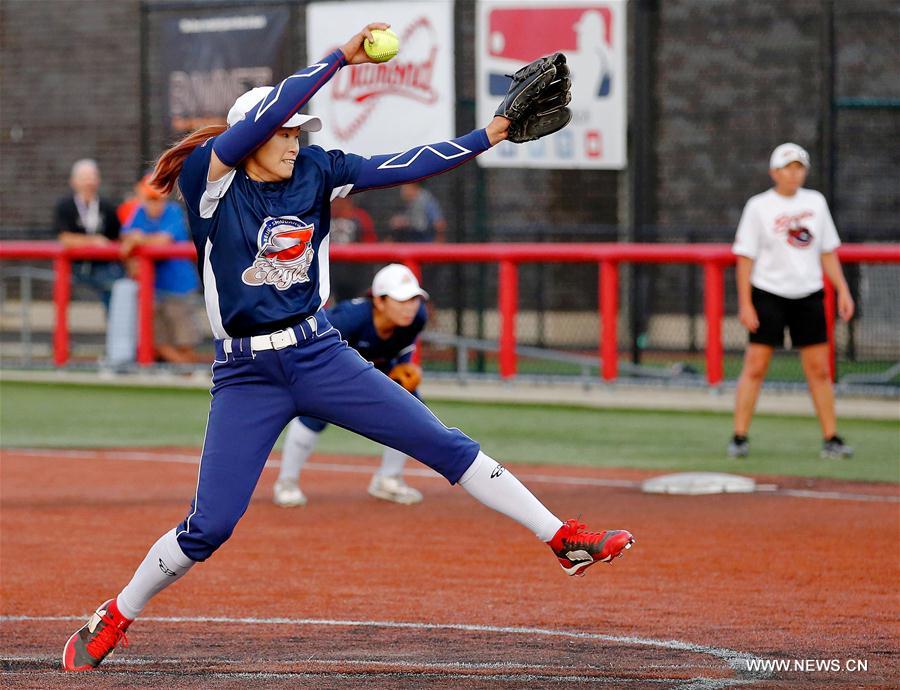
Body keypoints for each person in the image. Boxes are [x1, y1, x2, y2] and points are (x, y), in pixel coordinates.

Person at [62, 24, 633, 672]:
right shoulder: (210, 180)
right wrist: (340, 58)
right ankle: (116, 614)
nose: (293, 138)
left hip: (318, 353)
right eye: (283, 131)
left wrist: (490, 136)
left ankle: (562, 537)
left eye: (298, 130)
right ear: (245, 139)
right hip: (246, 375)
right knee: (210, 527)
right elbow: (265, 116)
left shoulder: (316, 171)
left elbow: (407, 163)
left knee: (442, 443)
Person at [728, 142, 855, 460]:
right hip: (768, 293)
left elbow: (827, 250)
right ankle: (739, 436)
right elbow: (745, 258)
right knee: (756, 366)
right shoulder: (759, 206)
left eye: (799, 167)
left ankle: (831, 437)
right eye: (788, 167)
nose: (793, 173)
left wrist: (842, 289)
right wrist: (745, 303)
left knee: (819, 370)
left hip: (809, 294)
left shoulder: (815, 202)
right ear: (774, 172)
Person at [273, 263, 430, 507]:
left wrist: (404, 365)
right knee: (315, 413)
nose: (410, 306)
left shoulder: (417, 317)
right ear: (379, 301)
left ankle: (387, 480)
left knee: (411, 407)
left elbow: (404, 347)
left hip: (377, 364)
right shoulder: (349, 319)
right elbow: (314, 349)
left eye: (414, 299)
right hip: (330, 364)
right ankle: (286, 482)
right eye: (402, 300)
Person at [120, 174, 203, 364]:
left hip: (179, 288)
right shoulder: (139, 212)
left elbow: (163, 241)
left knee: (185, 342)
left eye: (157, 199)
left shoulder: (173, 211)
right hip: (153, 289)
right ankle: (188, 373)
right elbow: (126, 239)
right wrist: (133, 240)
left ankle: (192, 373)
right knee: (155, 341)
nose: (154, 204)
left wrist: (139, 239)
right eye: (149, 199)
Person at [54, 159, 123, 309]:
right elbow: (65, 238)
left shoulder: (107, 206)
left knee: (119, 287)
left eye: (92, 177)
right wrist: (94, 241)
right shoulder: (64, 206)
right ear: (73, 182)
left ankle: (116, 329)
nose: (89, 183)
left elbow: (118, 237)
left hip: (104, 268)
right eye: (84, 178)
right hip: (74, 267)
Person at [328, 195, 377, 300]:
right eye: (335, 201)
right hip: (332, 271)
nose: (338, 204)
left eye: (342, 200)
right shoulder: (326, 217)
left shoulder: (360, 217)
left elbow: (370, 244)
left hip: (356, 271)